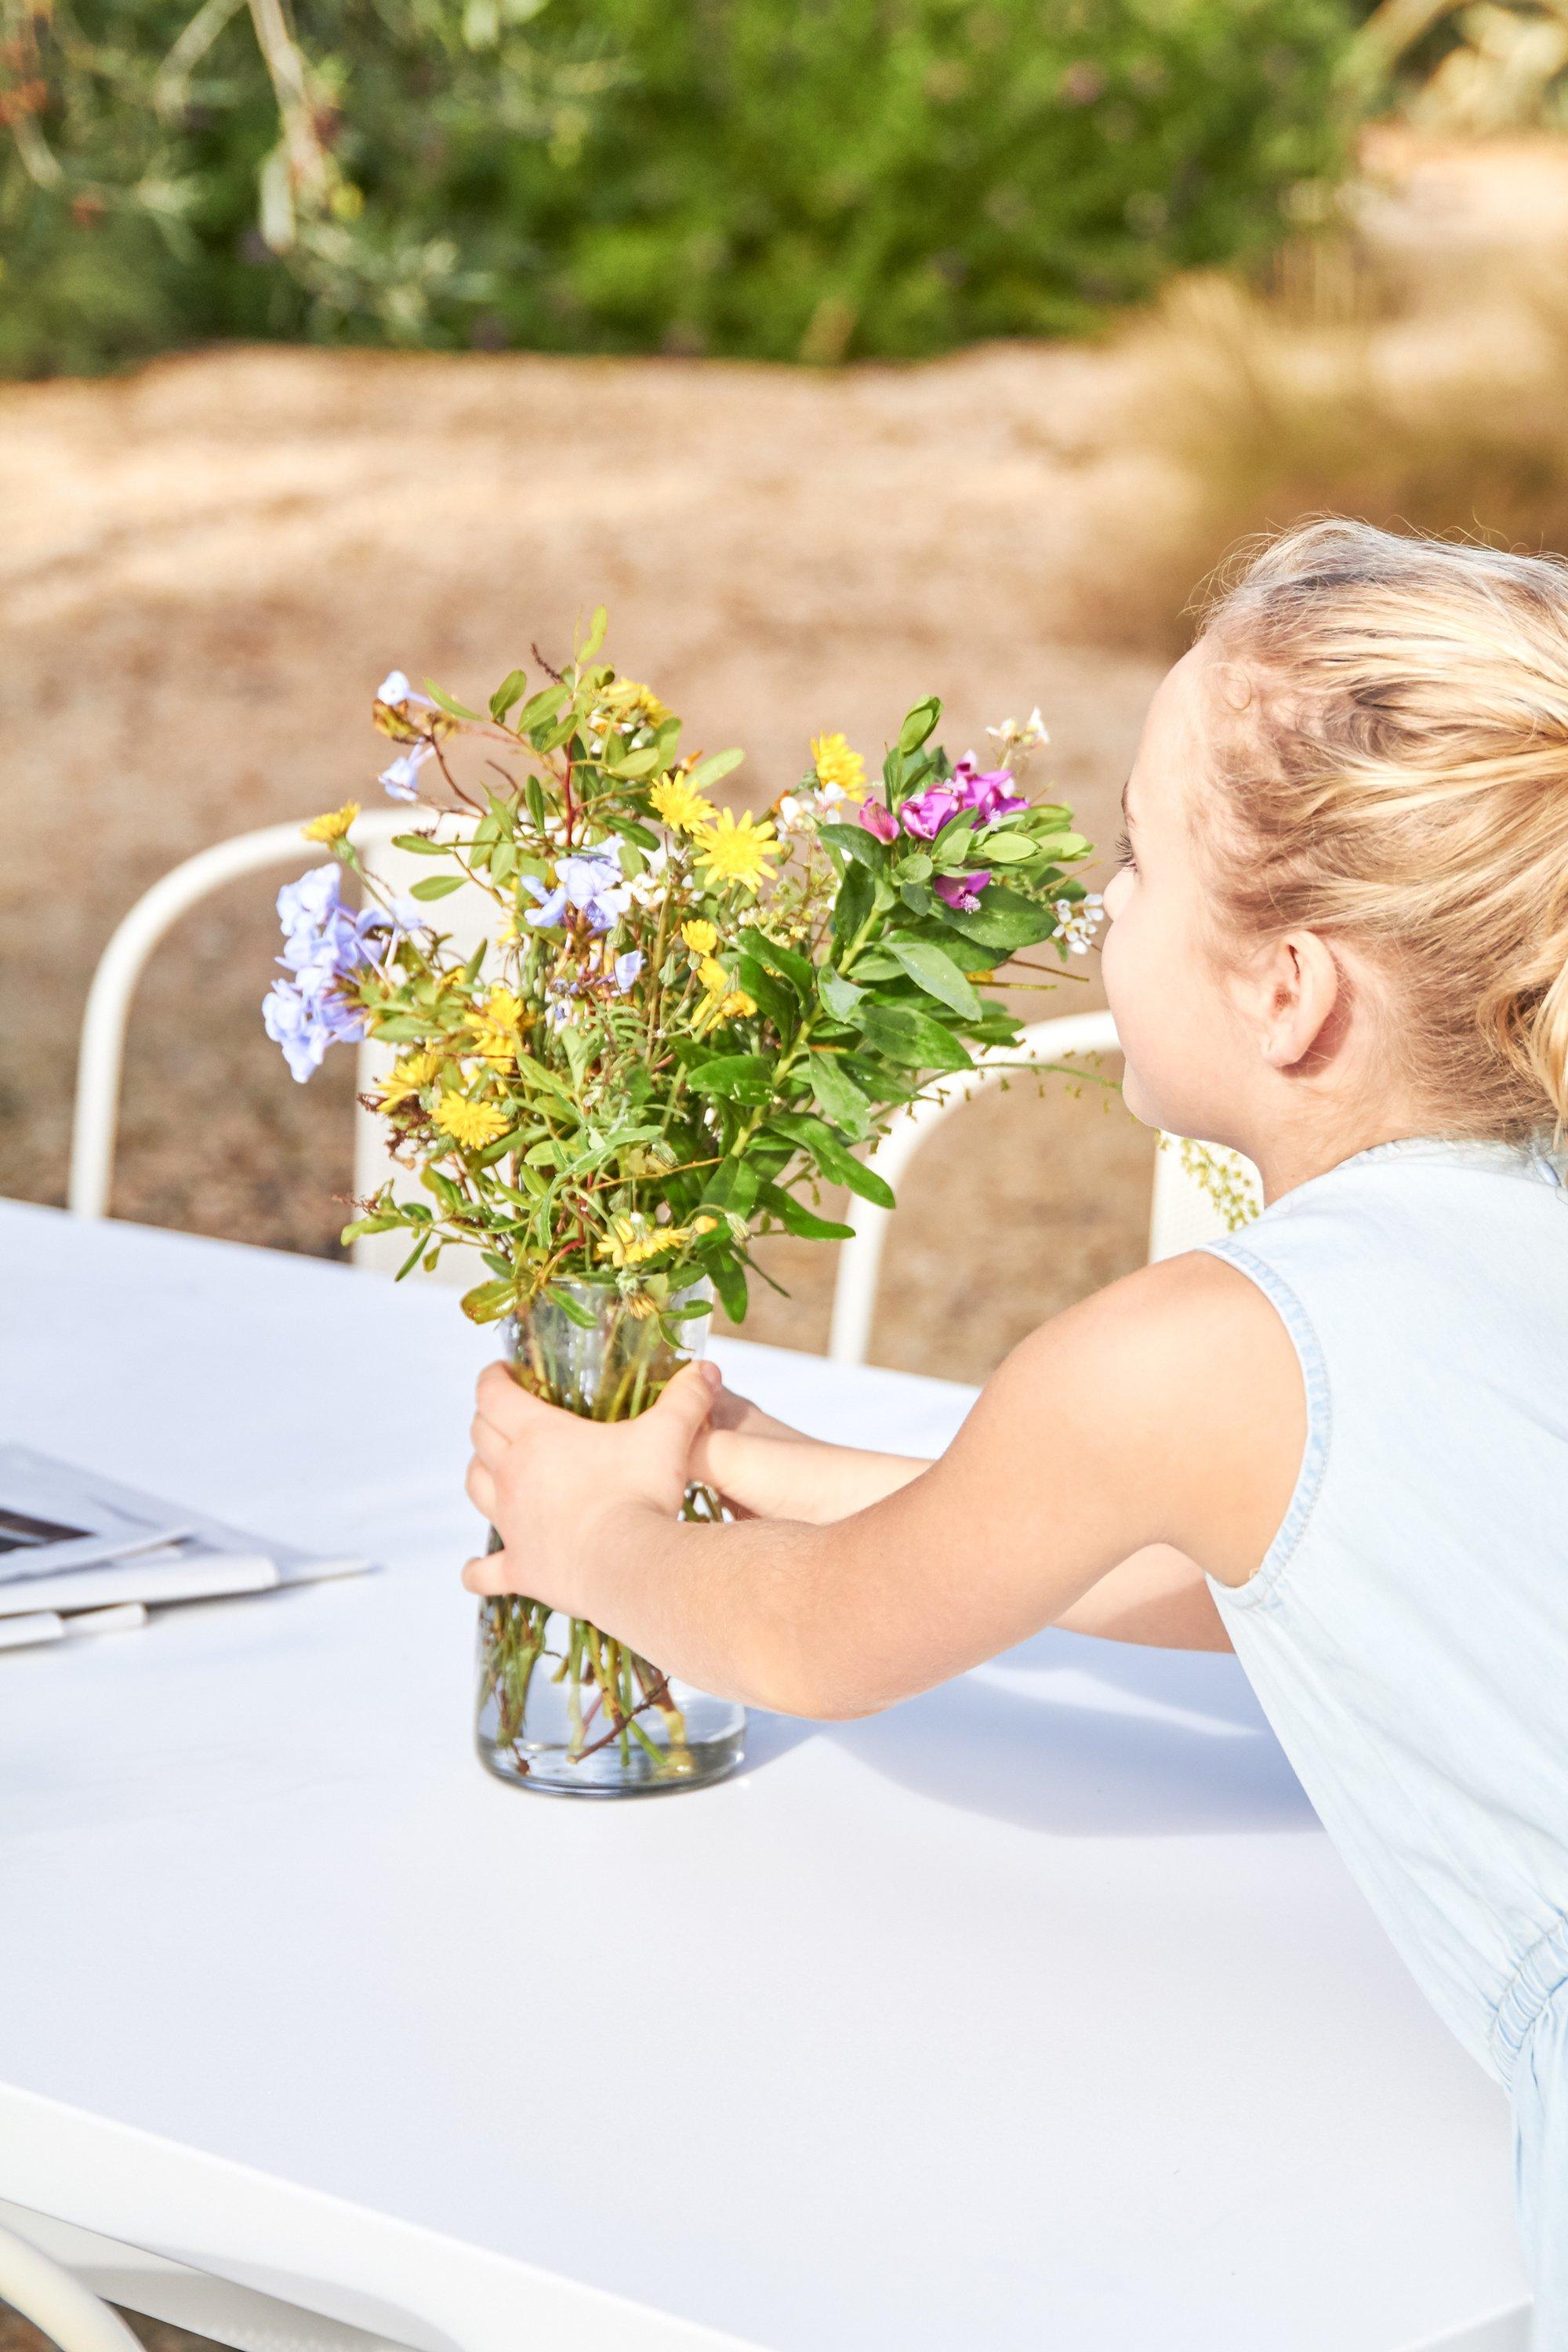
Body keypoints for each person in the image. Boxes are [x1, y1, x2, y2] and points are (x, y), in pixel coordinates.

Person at [462, 520, 1568, 2338]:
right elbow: (1274, 1570)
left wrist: (588, 1535)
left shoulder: (1198, 1351)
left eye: (1137, 869)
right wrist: (764, 1464)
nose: (1095, 911)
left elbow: (819, 1642)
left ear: (1286, 994)